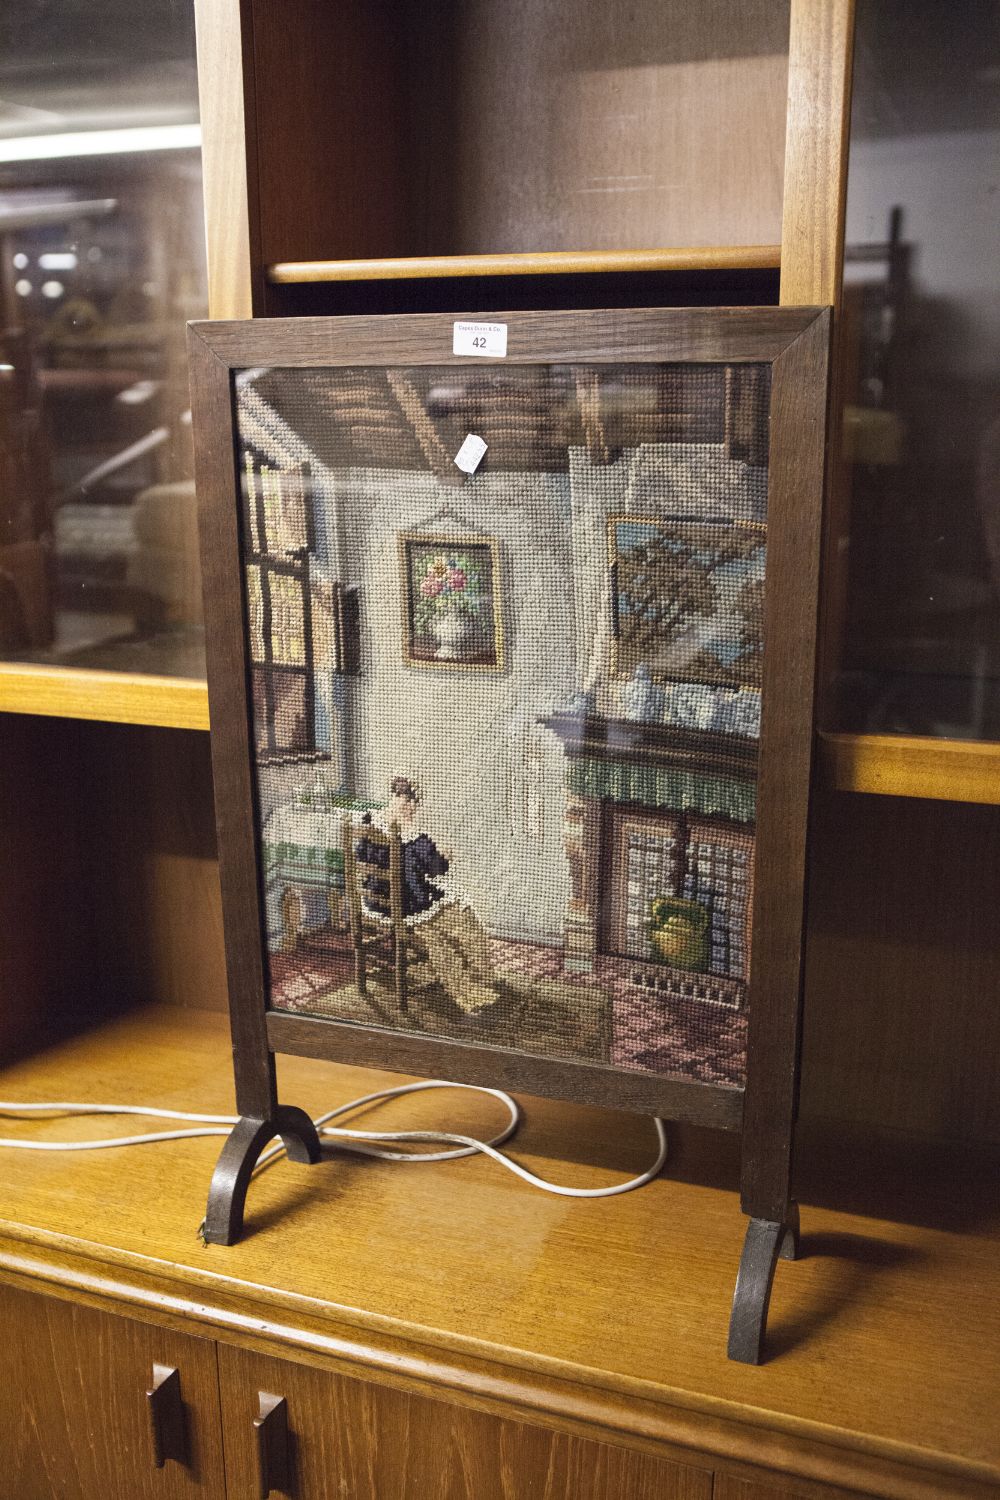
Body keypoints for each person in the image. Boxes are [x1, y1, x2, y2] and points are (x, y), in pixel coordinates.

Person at [354, 776, 501, 1017]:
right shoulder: (410, 835)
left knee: (446, 929)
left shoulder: (367, 821)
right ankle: (478, 986)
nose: (412, 807)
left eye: (414, 803)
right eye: (409, 801)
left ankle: (476, 986)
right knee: (461, 923)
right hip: (408, 906)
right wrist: (445, 854)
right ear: (398, 798)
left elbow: (368, 858)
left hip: (376, 903)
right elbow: (436, 868)